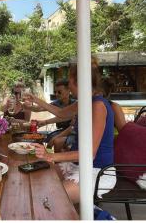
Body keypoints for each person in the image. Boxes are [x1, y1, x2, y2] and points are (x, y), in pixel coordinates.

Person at [28, 58, 116, 204]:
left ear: (79, 83)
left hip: (96, 171)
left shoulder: (98, 106)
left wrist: (50, 156)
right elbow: (61, 113)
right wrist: (36, 100)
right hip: (77, 165)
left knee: (50, 200)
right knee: (37, 180)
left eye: (69, 83)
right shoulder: (84, 101)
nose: (69, 87)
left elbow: (90, 154)